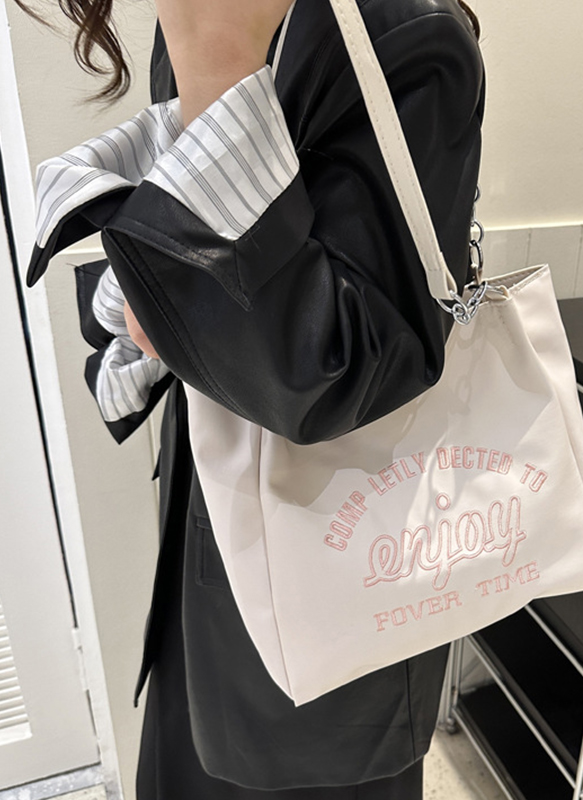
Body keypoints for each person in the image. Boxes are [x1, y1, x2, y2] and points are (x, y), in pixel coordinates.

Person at [21, 0, 484, 797]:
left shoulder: (401, 29)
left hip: (335, 584)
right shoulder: (203, 15)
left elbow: (342, 372)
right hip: (213, 541)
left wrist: (219, 63)